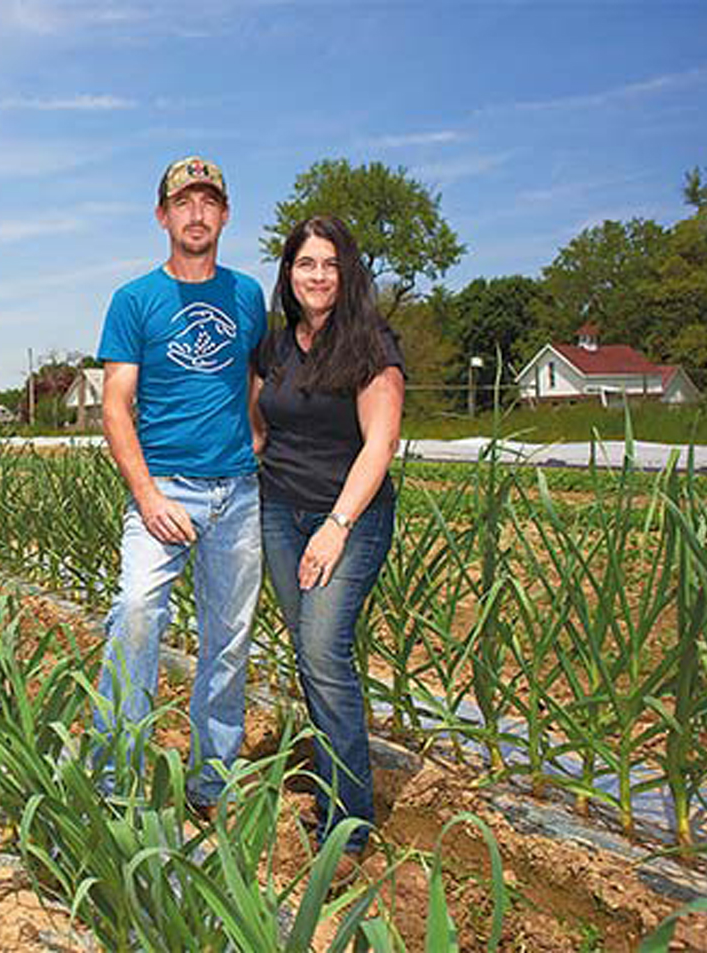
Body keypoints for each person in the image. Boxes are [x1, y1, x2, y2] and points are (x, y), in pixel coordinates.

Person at [92, 155, 267, 812]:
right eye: (183, 202)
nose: (197, 213)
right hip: (163, 490)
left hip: (237, 495)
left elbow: (253, 378)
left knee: (229, 638)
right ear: (163, 216)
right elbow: (116, 406)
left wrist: (255, 436)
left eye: (209, 201)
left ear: (225, 215)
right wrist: (148, 495)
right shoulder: (135, 300)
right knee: (136, 615)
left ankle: (211, 785)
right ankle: (112, 784)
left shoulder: (247, 295)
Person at [249, 215, 404, 855]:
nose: (318, 276)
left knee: (321, 650)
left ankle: (350, 819)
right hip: (279, 513)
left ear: (348, 274)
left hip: (350, 517)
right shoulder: (274, 348)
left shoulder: (371, 345)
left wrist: (337, 526)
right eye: (306, 264)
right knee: (310, 653)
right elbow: (258, 430)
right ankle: (331, 793)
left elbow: (381, 443)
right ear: (289, 274)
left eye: (330, 265)